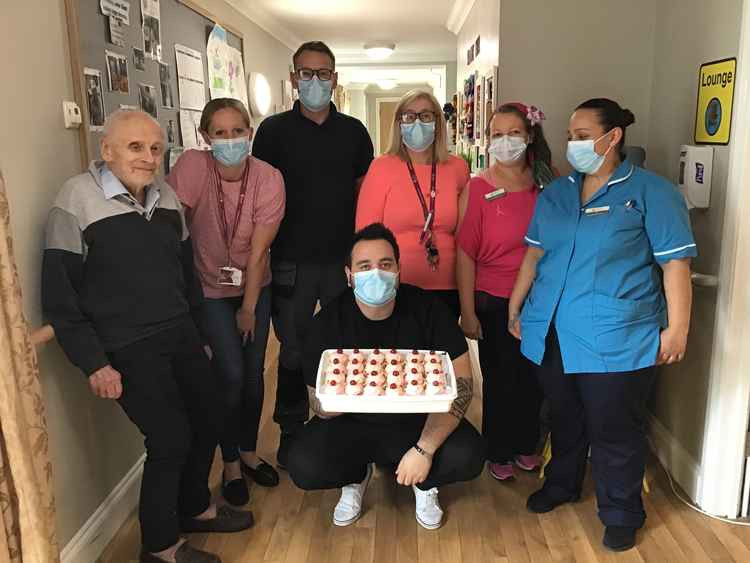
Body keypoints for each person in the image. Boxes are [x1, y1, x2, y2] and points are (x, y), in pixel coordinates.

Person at [42, 110, 253, 563]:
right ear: (107, 150)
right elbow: (60, 296)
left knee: (210, 415)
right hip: (126, 345)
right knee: (170, 438)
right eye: (135, 147)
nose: (148, 157)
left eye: (155, 148)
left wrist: (201, 336)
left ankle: (194, 507)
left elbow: (186, 276)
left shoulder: (167, 199)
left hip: (179, 332)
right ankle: (160, 546)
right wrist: (94, 362)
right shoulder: (75, 200)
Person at [508, 98, 696, 552]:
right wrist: (516, 308)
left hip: (618, 338)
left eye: (581, 134)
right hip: (550, 331)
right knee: (564, 417)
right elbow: (534, 255)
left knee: (615, 428)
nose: (573, 143)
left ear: (613, 137)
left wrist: (678, 329)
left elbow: (675, 266)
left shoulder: (653, 192)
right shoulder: (554, 193)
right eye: (570, 136)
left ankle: (621, 511)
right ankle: (562, 484)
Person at [287, 223, 485, 530]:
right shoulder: (327, 322)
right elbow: (318, 402)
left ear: (399, 270)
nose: (376, 274)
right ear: (349, 275)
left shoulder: (428, 310)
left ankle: (424, 482)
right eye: (364, 266)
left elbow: (462, 386)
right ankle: (355, 476)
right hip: (353, 426)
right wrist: (336, 400)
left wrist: (425, 449)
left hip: (418, 424)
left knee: (469, 455)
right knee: (303, 464)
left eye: (385, 264)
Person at [252, 41, 374, 466]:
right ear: (293, 79)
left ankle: (346, 425)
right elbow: (260, 194)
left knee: (345, 344)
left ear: (335, 79)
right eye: (306, 73)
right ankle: (290, 428)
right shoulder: (272, 132)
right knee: (294, 349)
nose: (315, 81)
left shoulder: (354, 132)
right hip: (291, 261)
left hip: (342, 261)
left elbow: (365, 195)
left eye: (323, 73)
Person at [167, 98, 285, 506]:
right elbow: (170, 230)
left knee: (254, 375)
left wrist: (249, 308)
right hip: (207, 290)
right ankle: (230, 461)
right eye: (221, 132)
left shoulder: (268, 178)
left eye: (239, 131)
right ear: (205, 137)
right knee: (230, 374)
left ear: (250, 133)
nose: (231, 139)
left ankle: (250, 452)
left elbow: (257, 252)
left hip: (255, 285)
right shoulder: (192, 168)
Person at [456, 102, 554, 482]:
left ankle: (525, 445)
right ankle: (497, 449)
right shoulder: (478, 188)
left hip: (540, 298)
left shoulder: (547, 182)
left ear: (529, 136)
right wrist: (468, 310)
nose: (505, 141)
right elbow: (465, 254)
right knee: (500, 379)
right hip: (493, 297)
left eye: (513, 133)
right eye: (496, 135)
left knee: (534, 375)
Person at [355, 89, 470, 318]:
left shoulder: (457, 168)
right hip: (395, 287)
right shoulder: (381, 168)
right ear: (399, 123)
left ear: (437, 121)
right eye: (409, 116)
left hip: (448, 286)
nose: (417, 122)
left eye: (426, 115)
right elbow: (365, 235)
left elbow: (466, 234)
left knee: (442, 352)